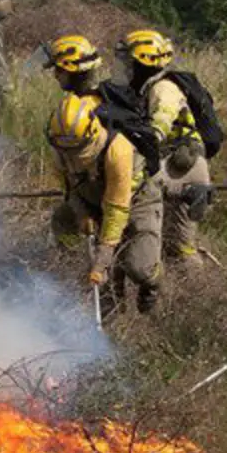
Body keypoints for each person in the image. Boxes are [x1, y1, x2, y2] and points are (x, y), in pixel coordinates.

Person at [47, 93, 163, 314]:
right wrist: (82, 214)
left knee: (139, 268)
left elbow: (116, 210)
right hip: (92, 198)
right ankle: (94, 290)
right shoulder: (59, 147)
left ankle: (152, 284)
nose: (71, 156)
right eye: (66, 150)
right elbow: (69, 190)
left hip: (136, 199)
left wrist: (101, 261)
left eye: (76, 149)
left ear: (91, 135)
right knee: (62, 220)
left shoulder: (117, 149)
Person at [115, 30, 210, 267]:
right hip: (172, 165)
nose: (125, 68)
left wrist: (149, 140)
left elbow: (161, 123)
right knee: (170, 249)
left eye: (129, 62)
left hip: (183, 169)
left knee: (182, 250)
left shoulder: (163, 88)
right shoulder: (148, 88)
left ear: (143, 63)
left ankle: (199, 284)